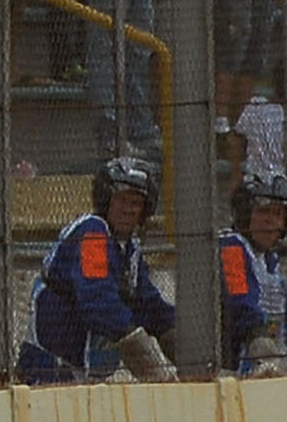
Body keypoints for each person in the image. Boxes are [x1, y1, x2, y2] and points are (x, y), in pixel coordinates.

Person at [21, 149, 178, 382]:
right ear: (106, 200)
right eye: (121, 200)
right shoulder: (92, 232)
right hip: (51, 368)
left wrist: (185, 347)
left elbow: (149, 306)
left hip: (85, 374)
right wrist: (152, 368)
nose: (128, 209)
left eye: (136, 203)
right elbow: (97, 300)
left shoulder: (130, 249)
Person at [216, 173, 287, 374]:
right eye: (263, 211)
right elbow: (239, 302)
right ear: (245, 214)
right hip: (231, 372)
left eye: (278, 214)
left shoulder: (270, 261)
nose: (271, 221)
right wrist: (259, 339)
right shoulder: (231, 247)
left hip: (268, 368)